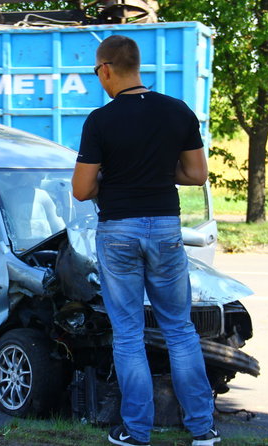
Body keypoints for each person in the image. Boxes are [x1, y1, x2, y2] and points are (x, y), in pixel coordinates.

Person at [71, 35, 219, 446]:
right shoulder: (178, 112)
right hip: (166, 229)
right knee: (180, 329)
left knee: (129, 333)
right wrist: (153, 171)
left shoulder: (100, 121)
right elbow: (196, 175)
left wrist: (116, 175)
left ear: (105, 69)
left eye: (96, 72)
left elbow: (81, 190)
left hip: (118, 231)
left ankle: (136, 431)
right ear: (137, 66)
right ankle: (202, 429)